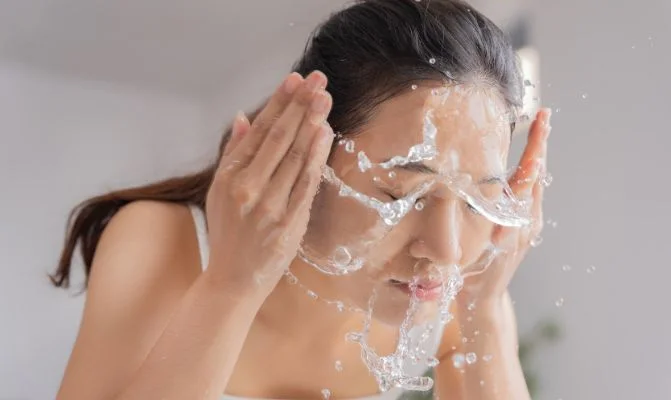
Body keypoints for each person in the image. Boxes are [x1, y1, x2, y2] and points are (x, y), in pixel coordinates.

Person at [52, 0, 551, 399]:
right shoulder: (161, 242)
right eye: (402, 193)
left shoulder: (457, 290)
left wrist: (483, 309)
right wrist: (232, 285)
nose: (444, 251)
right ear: (304, 156)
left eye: (474, 199)